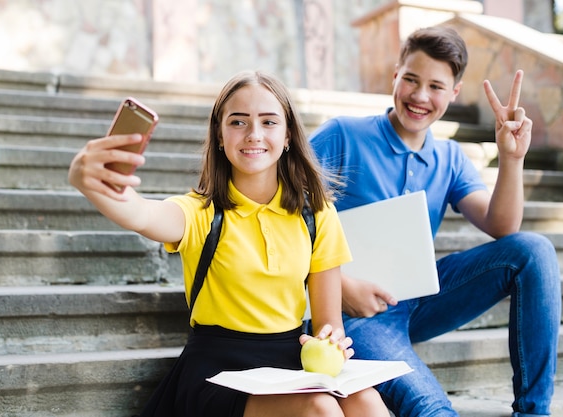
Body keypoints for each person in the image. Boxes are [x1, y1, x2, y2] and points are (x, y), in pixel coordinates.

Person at [68, 70, 390, 417]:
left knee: (367, 401)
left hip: (288, 361)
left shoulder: (317, 213)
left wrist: (330, 343)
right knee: (320, 409)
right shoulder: (201, 211)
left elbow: (330, 325)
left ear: (287, 137)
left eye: (269, 122)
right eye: (238, 122)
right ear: (220, 136)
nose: (254, 134)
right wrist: (90, 182)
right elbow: (143, 215)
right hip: (217, 369)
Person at [308, 26, 561, 417]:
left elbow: (502, 227)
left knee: (534, 250)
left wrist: (511, 158)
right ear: (395, 76)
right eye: (410, 79)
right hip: (355, 313)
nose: (420, 96)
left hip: (421, 301)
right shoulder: (342, 136)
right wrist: (339, 285)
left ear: (454, 93)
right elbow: (281, 218)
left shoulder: (451, 157)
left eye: (436, 86)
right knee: (432, 410)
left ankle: (533, 412)